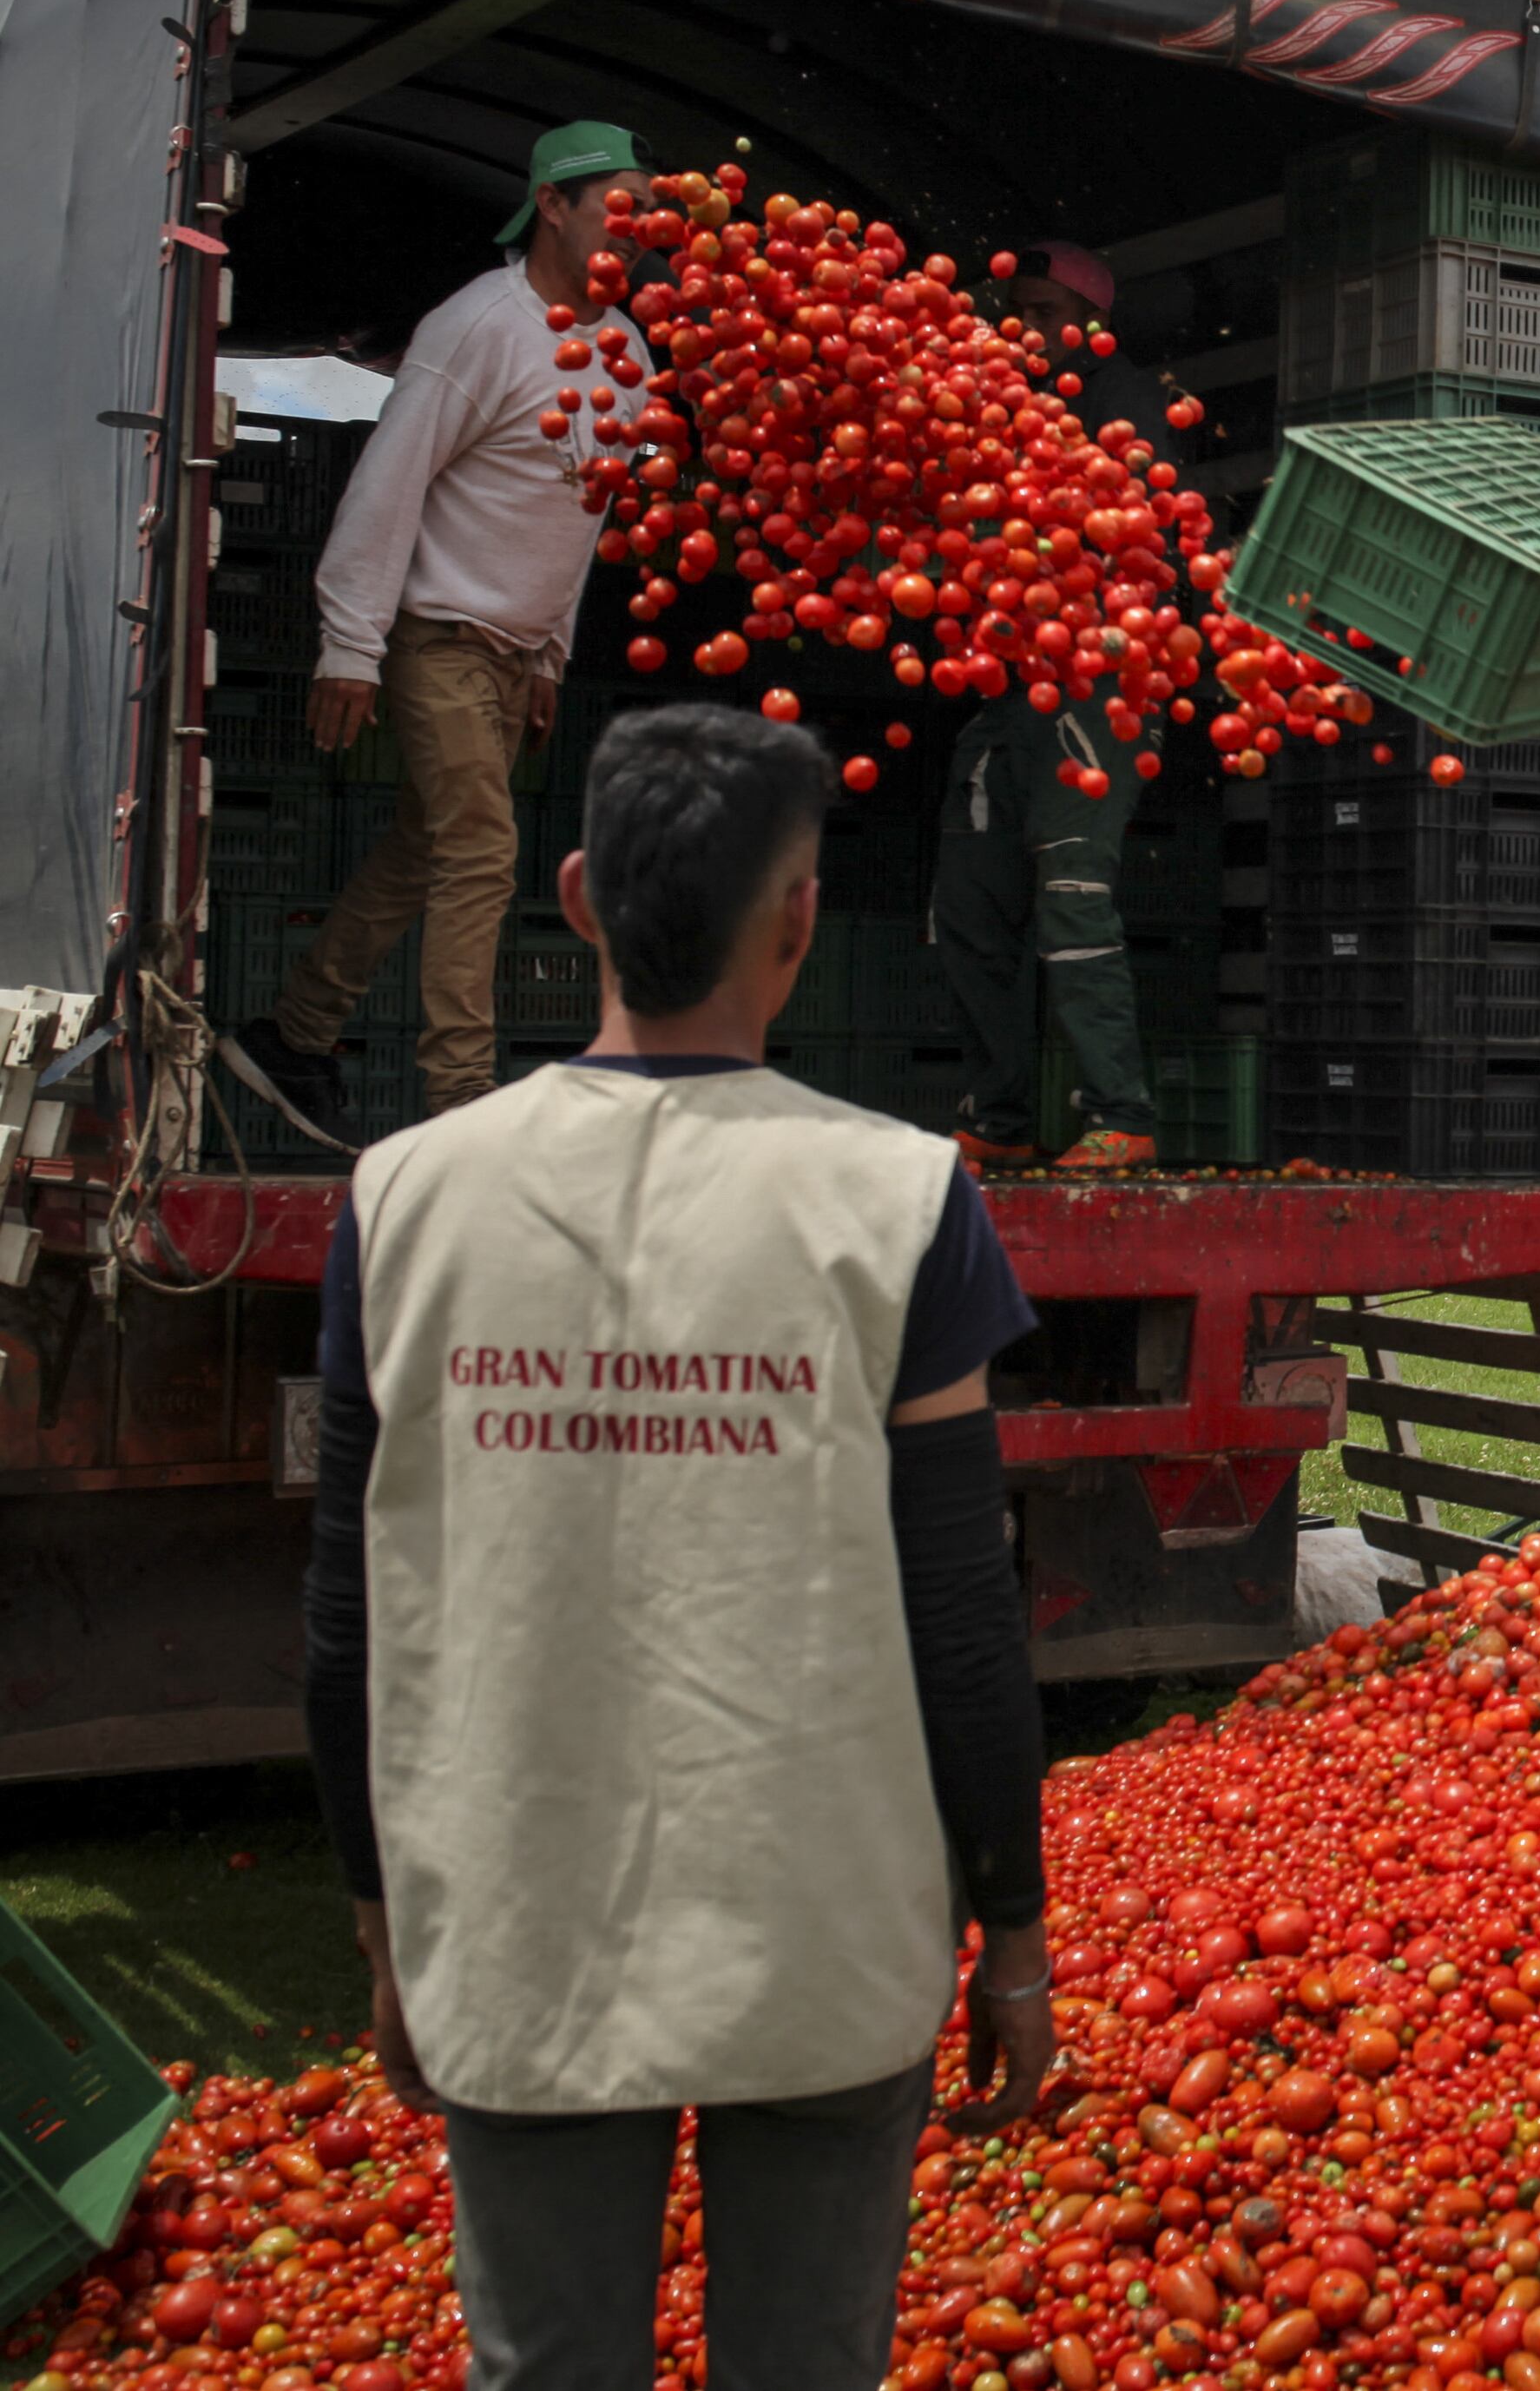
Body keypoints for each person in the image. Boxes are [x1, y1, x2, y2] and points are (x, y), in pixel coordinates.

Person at [299, 702, 1055, 2391]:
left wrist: (381, 1913)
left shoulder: (403, 1199)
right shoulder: (901, 1199)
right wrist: (1011, 1925)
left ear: (569, 898)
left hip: (515, 1919)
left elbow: (352, 1616)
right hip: (820, 1934)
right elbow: (962, 1615)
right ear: (796, 922)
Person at [232, 122, 653, 1141]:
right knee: (478, 853)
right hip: (440, 637)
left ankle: (294, 1035)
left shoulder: (629, 354)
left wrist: (549, 653)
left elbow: (578, 515)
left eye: (649, 215)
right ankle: (461, 1101)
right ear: (552, 204)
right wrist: (351, 645)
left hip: (513, 656)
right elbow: (389, 482)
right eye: (617, 207)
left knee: (424, 852)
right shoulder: (479, 325)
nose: (636, 231)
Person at [931, 237, 1171, 1173]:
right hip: (1009, 685)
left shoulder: (1123, 403)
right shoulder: (993, 402)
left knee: (1072, 888)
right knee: (969, 901)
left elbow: (1140, 537)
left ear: (1092, 329)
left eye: (1042, 312)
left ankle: (1122, 1116)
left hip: (1098, 684)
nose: (1022, 326)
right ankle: (997, 1118)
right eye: (1013, 310)